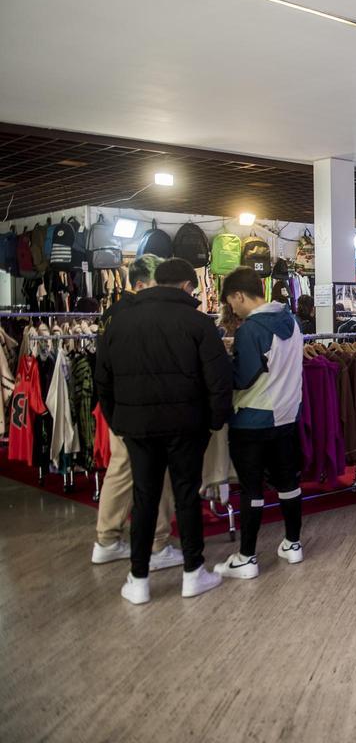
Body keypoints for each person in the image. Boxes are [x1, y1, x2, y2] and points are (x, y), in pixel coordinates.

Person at [95, 258, 232, 604]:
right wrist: (214, 422)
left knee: (144, 498)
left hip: (137, 427)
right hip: (187, 425)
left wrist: (118, 421)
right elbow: (219, 381)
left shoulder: (120, 321)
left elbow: (103, 380)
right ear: (186, 286)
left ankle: (138, 579)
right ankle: (193, 573)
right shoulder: (198, 323)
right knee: (186, 496)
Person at [213, 267, 306, 580]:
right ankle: (293, 544)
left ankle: (247, 557)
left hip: (252, 419)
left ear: (239, 295)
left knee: (251, 487)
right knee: (288, 481)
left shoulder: (251, 329)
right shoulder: (293, 322)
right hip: (287, 415)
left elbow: (243, 377)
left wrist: (222, 361)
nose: (233, 309)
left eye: (231, 302)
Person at [91, 254, 182, 571]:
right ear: (142, 285)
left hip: (121, 408)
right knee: (155, 474)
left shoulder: (113, 314)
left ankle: (107, 539)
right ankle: (157, 544)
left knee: (122, 471)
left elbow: (102, 370)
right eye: (160, 283)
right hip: (143, 409)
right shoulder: (142, 315)